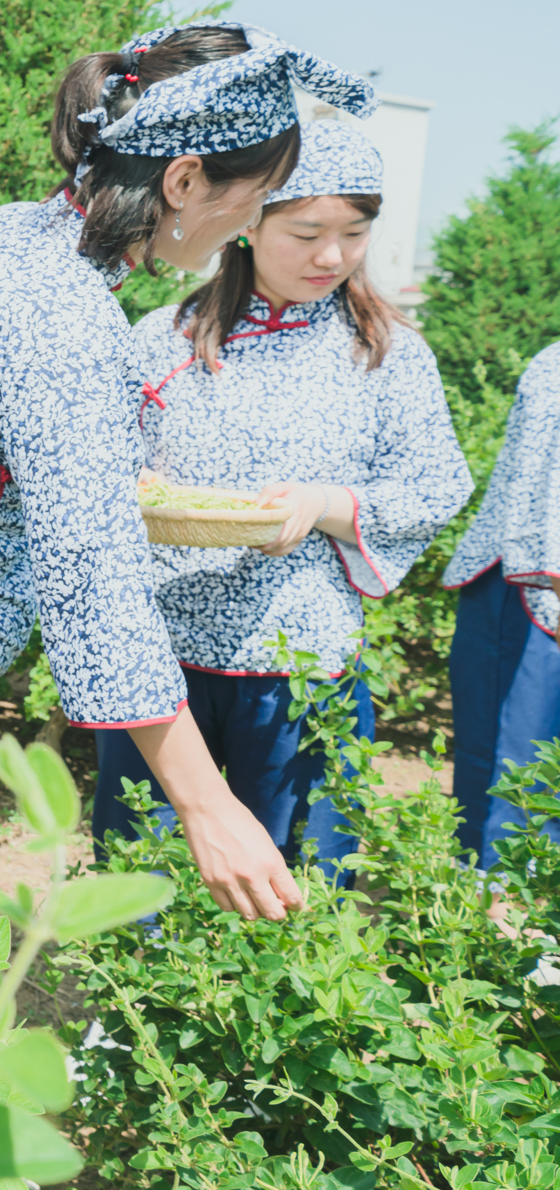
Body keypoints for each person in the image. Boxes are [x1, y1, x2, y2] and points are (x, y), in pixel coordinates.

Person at [0, 22, 376, 1050]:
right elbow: (92, 583)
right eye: (243, 202)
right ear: (183, 179)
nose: (235, 235)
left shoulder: (8, 232)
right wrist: (205, 801)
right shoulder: (67, 317)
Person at [95, 118, 471, 873]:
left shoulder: (385, 352)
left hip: (303, 663)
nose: (331, 256)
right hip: (162, 662)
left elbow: (437, 483)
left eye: (355, 233)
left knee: (298, 879)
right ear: (246, 223)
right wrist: (131, 484)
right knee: (145, 877)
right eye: (306, 233)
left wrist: (326, 505)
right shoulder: (165, 337)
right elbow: (103, 464)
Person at [443, 342, 560, 867]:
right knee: (520, 780)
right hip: (535, 593)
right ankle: (506, 932)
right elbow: (545, 492)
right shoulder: (555, 367)